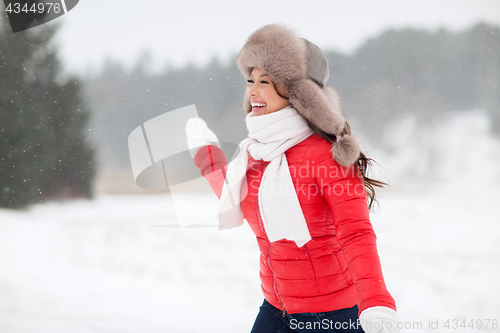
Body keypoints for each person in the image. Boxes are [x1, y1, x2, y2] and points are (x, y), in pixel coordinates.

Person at [185, 24, 399, 333]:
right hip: (276, 310)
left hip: (333, 316)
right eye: (250, 80)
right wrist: (206, 155)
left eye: (264, 82)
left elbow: (356, 232)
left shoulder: (326, 156)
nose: (252, 91)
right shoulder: (256, 153)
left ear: (296, 92)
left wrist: (376, 299)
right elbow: (237, 195)